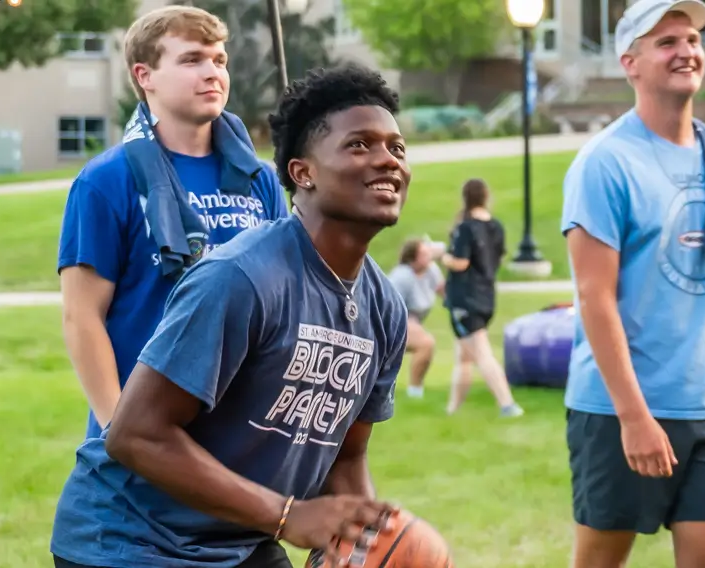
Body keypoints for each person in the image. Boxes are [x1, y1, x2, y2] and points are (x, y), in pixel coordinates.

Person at [49, 63, 410, 568]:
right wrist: (288, 518)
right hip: (132, 541)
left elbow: (345, 455)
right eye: (359, 145)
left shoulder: (385, 309)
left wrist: (358, 542)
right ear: (301, 173)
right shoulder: (242, 277)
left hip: (240, 540)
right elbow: (135, 434)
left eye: (396, 148)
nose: (387, 161)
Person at [557, 1, 705, 566]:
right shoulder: (604, 163)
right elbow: (594, 298)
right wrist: (634, 416)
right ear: (631, 63)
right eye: (666, 42)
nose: (687, 51)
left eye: (692, 39)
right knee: (601, 560)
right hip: (620, 408)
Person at [57, 5, 288, 439]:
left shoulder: (261, 181)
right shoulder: (105, 181)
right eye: (191, 60)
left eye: (219, 60)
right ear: (145, 75)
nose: (212, 72)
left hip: (246, 433)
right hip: (148, 431)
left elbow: (287, 300)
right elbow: (82, 316)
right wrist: (119, 430)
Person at [442, 178, 524, 417]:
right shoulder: (496, 226)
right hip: (487, 295)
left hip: (466, 298)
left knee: (480, 352)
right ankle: (452, 409)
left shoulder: (465, 227)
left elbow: (460, 262)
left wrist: (443, 256)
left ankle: (507, 404)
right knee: (464, 356)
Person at [387, 237, 444, 399]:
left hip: (412, 321)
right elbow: (388, 306)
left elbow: (443, 290)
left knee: (426, 344)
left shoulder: (431, 270)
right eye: (424, 254)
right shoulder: (402, 277)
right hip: (394, 321)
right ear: (413, 259)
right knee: (426, 343)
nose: (429, 257)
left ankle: (413, 391)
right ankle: (414, 392)